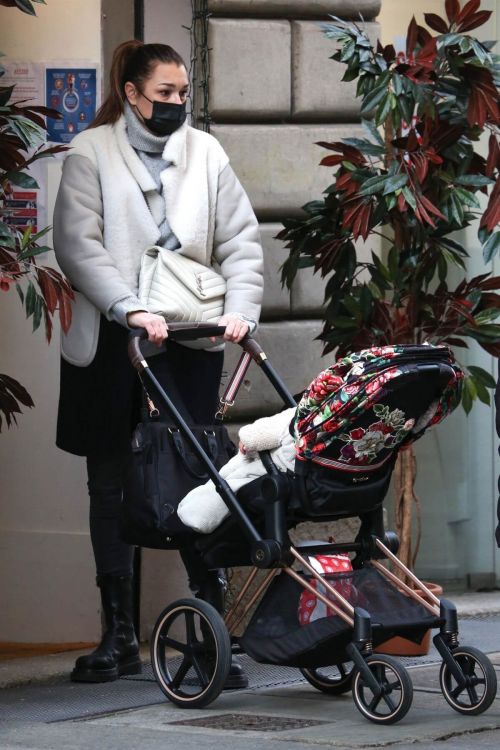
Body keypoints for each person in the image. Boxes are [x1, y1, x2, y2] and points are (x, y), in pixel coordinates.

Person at [53, 40, 263, 686]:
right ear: (133, 91)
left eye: (182, 93)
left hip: (190, 341)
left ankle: (210, 632)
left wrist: (241, 308)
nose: (176, 103)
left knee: (205, 478)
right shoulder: (91, 153)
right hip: (115, 346)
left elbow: (242, 239)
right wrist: (127, 307)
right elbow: (77, 243)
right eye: (164, 93)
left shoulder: (206, 153)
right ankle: (117, 635)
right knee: (110, 482)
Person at [178, 408, 296, 534]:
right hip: (305, 475)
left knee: (232, 478)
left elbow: (254, 438)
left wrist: (247, 437)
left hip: (275, 468)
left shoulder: (308, 410)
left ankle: (196, 511)